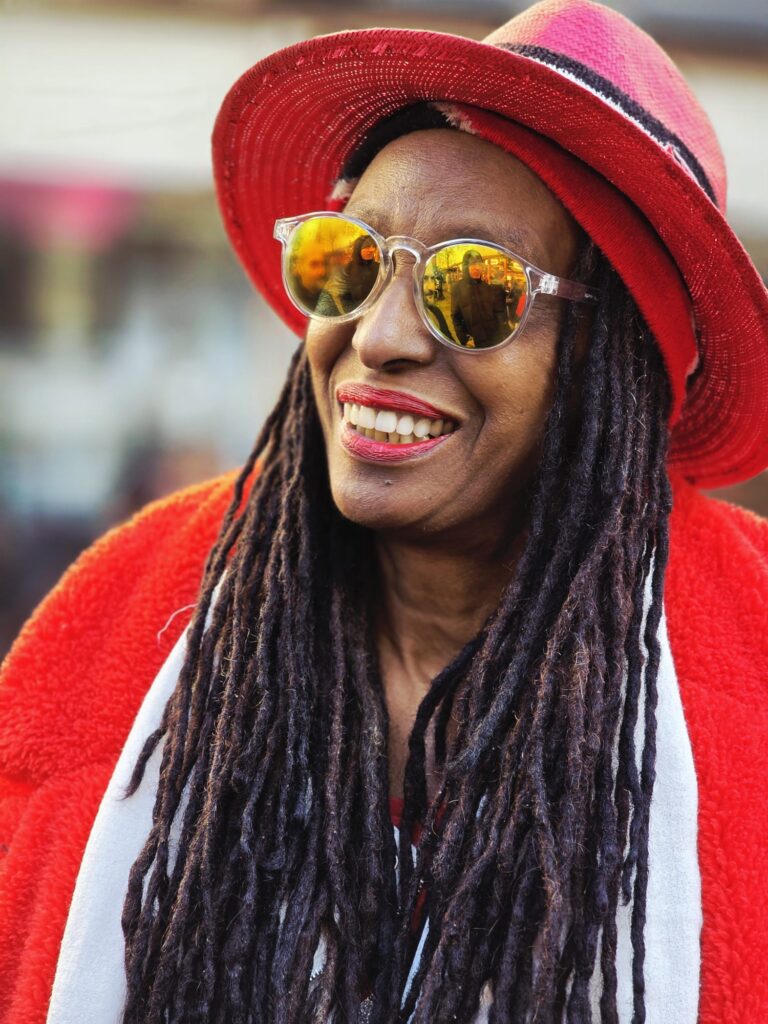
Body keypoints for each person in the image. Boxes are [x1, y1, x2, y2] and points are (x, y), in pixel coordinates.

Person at [1, 2, 767, 1023]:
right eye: (347, 259)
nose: (381, 335)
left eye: (475, 287)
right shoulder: (118, 612)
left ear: (607, 362)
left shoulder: (751, 663)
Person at [449, 248, 510, 347]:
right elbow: (455, 317)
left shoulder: (487, 287)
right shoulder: (458, 288)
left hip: (493, 341)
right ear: (465, 267)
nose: (477, 268)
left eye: (480, 265)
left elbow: (497, 314)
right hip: (475, 344)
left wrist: (504, 335)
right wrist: (464, 339)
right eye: (473, 264)